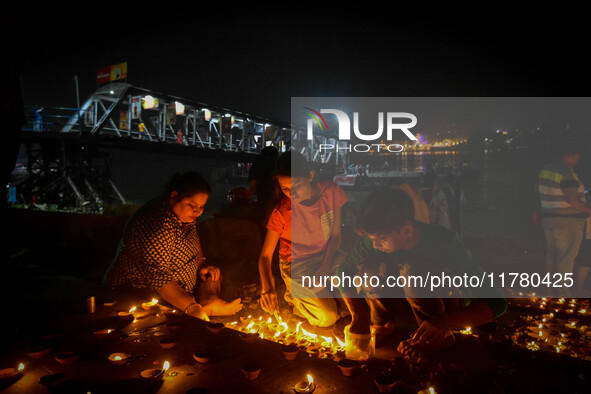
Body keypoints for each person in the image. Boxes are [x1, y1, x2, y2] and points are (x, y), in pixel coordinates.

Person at [336, 187, 507, 358]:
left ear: (407, 230)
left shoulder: (445, 244)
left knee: (414, 272)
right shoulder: (375, 240)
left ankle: (439, 337)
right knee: (370, 268)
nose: (374, 244)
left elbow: (497, 303)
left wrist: (447, 323)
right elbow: (343, 271)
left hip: (443, 309)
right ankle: (385, 325)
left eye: (380, 239)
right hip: (406, 304)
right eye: (372, 239)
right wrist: (359, 315)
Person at [103, 172, 243, 320]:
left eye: (202, 206)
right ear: (174, 195)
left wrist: (201, 263)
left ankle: (209, 301)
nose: (198, 211)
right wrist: (193, 309)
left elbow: (193, 238)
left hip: (180, 288)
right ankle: (199, 307)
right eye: (192, 205)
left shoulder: (184, 214)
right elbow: (161, 279)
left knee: (212, 273)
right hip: (138, 292)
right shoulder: (157, 223)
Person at [258, 151, 348, 327]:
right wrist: (267, 288)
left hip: (328, 255)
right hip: (297, 264)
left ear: (310, 175)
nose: (292, 193)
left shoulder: (330, 193)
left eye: (297, 185)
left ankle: (310, 296)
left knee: (357, 297)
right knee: (327, 317)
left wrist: (324, 268)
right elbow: (265, 257)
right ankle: (295, 297)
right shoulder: (282, 213)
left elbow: (336, 237)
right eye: (285, 189)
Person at [537, 145, 591, 281]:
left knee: (552, 256)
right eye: (578, 157)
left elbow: (538, 193)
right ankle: (562, 293)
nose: (578, 161)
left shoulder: (546, 170)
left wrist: (537, 212)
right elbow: (572, 199)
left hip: (549, 219)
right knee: (566, 258)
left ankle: (551, 289)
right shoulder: (567, 173)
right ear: (571, 155)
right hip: (567, 221)